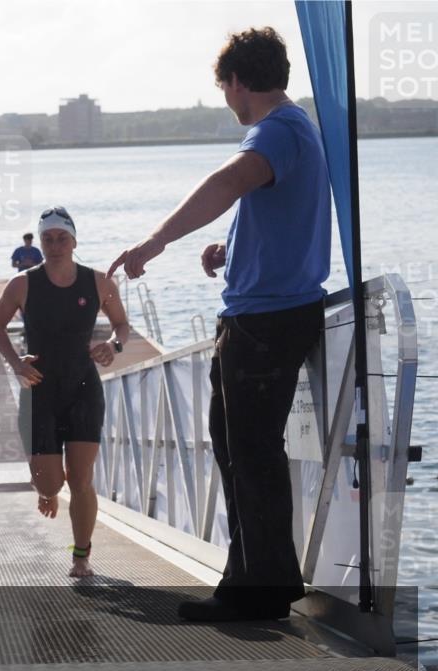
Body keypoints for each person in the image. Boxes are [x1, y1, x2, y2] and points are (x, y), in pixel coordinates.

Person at [108, 27, 330, 621]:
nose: (227, 100)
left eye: (225, 89)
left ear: (238, 81)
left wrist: (153, 242)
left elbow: (227, 184)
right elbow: (280, 213)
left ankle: (258, 592)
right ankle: (257, 578)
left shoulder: (277, 130)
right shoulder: (298, 131)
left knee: (251, 450)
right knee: (238, 447)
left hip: (266, 320)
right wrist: (230, 251)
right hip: (270, 311)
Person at [0, 206, 129, 577]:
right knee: (51, 482)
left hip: (84, 388)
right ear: (40, 243)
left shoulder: (99, 283)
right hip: (39, 391)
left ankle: (81, 556)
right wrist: (16, 363)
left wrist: (112, 346)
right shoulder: (22, 284)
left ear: (74, 241)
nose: (54, 245)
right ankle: (46, 489)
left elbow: (121, 325)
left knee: (81, 479)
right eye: (48, 239)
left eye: (61, 238)